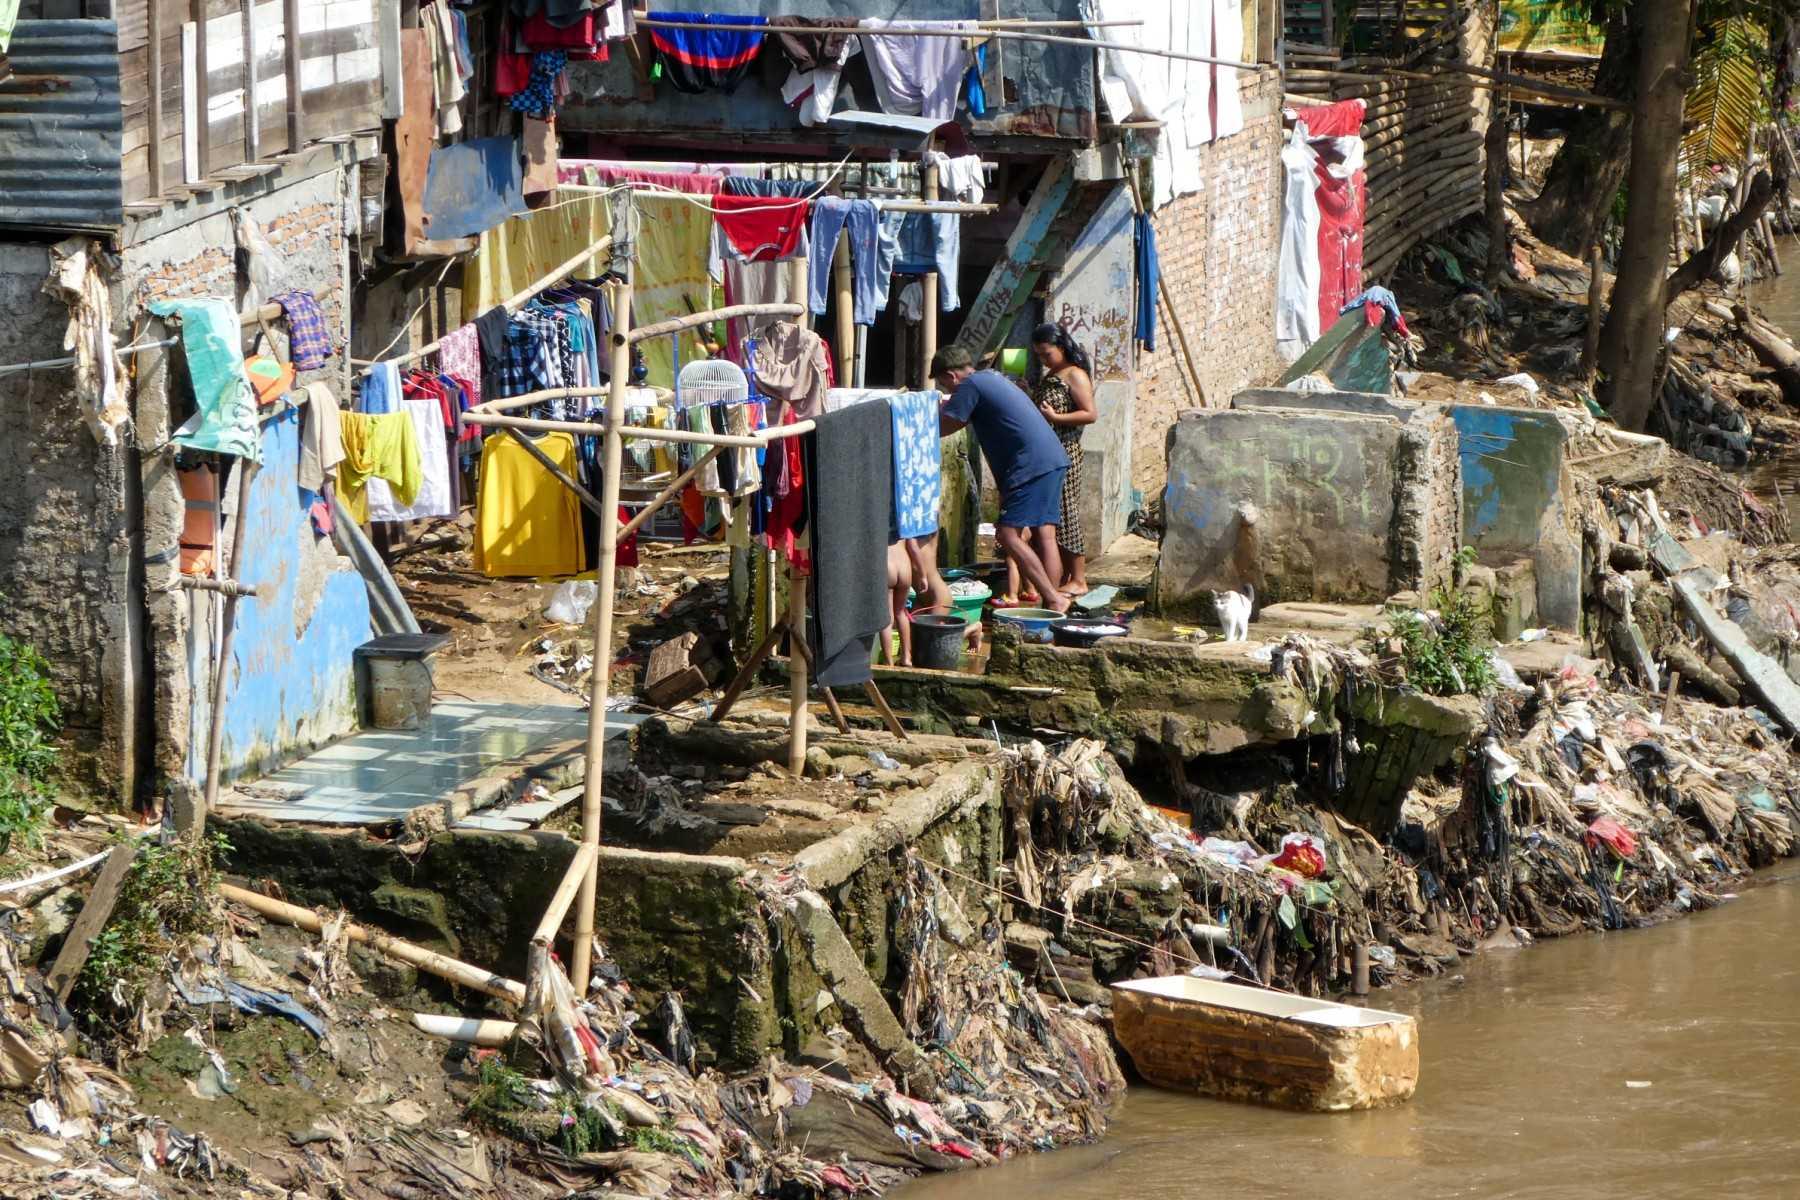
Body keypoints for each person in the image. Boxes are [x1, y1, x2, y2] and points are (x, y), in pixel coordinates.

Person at [931, 345, 1072, 616]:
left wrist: (912, 428)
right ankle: (1054, 608)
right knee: (1045, 533)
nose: (948, 392)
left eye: (944, 385)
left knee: (1007, 536)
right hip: (1050, 457)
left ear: (951, 376)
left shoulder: (970, 386)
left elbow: (950, 424)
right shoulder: (991, 377)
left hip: (1029, 464)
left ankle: (1053, 598)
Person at [1030, 323, 1098, 597]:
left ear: (1061, 347)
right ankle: (1067, 576)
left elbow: (1090, 414)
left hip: (1065, 452)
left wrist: (1057, 419)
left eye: (1047, 354)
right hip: (1048, 453)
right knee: (1054, 516)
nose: (1043, 360)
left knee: (1067, 513)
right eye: (1039, 355)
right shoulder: (1054, 373)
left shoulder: (1075, 375)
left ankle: (1079, 578)